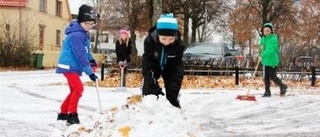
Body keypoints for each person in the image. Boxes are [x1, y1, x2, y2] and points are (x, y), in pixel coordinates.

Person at [55, 4, 98, 125]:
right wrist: (89, 72)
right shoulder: (76, 35)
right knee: (79, 89)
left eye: (91, 24)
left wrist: (92, 60)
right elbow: (80, 55)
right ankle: (72, 115)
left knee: (74, 90)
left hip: (73, 66)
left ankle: (63, 112)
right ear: (81, 21)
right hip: (69, 66)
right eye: (87, 23)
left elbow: (86, 52)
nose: (89, 26)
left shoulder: (83, 33)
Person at [142, 13, 184, 108]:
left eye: (171, 39)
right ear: (158, 34)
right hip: (154, 67)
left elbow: (176, 69)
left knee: (172, 95)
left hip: (170, 69)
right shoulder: (149, 42)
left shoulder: (179, 45)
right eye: (164, 38)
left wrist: (173, 91)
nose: (167, 42)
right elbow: (147, 66)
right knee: (150, 93)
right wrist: (155, 89)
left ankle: (174, 112)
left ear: (175, 36)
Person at [259, 22, 287, 97]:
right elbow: (262, 49)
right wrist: (260, 54)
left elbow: (271, 49)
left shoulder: (273, 39)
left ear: (271, 31)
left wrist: (263, 55)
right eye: (265, 31)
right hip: (265, 61)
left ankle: (282, 86)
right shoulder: (262, 39)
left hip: (272, 61)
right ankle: (267, 92)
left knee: (273, 76)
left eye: (268, 31)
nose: (266, 32)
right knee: (266, 77)